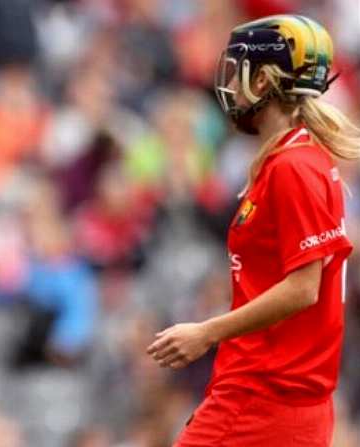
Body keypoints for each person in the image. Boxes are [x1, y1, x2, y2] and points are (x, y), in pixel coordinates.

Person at [146, 14, 360, 446]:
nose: (229, 86)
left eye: (238, 72)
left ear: (263, 81)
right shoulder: (295, 159)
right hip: (284, 404)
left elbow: (304, 288)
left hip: (263, 399)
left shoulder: (294, 167)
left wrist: (207, 332)